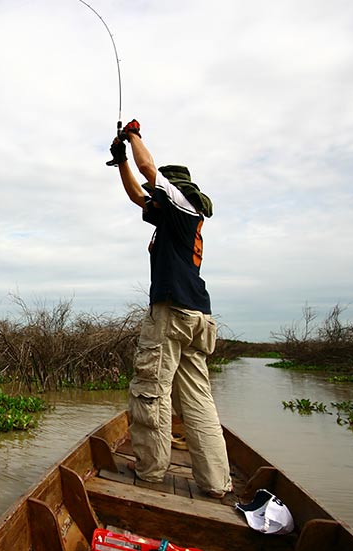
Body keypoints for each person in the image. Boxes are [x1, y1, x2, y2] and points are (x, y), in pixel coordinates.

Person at [108, 119, 232, 499]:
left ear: (175, 189)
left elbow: (151, 171)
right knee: (197, 398)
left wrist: (133, 136)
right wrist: (120, 160)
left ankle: (149, 472)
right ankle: (216, 483)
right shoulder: (173, 217)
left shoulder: (183, 204)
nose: (154, 192)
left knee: (151, 392)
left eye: (161, 188)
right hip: (197, 317)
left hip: (172, 315)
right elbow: (136, 193)